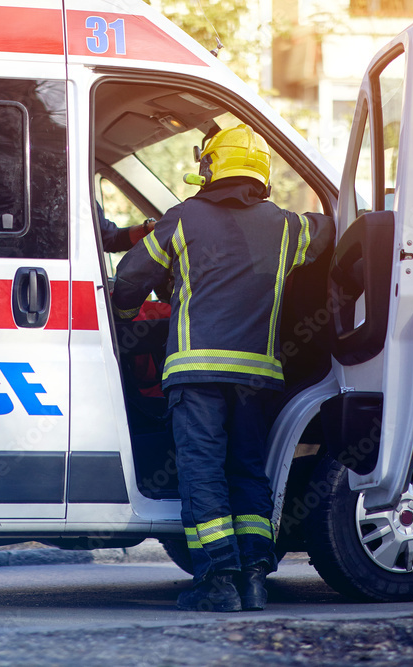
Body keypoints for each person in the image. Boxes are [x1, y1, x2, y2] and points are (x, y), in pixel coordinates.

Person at [111, 124, 333, 612]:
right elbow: (333, 229)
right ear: (260, 174)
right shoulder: (287, 227)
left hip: (196, 375)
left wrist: (124, 320)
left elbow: (129, 279)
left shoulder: (184, 218)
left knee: (202, 471)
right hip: (257, 379)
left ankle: (216, 581)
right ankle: (253, 579)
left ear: (211, 168)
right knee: (248, 470)